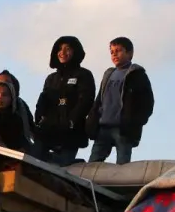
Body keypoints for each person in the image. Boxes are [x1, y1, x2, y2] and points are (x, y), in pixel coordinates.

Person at [85, 36, 154, 164]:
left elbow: (147, 102)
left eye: (118, 50)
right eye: (112, 52)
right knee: (93, 163)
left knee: (123, 164)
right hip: (103, 127)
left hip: (123, 129)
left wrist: (135, 122)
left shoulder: (137, 75)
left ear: (130, 53)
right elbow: (99, 100)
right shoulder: (108, 74)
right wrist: (92, 120)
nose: (114, 54)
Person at [32, 36, 96, 165]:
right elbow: (43, 101)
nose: (63, 52)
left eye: (67, 49)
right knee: (34, 162)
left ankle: (75, 164)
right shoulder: (51, 78)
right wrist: (39, 118)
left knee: (62, 167)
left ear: (75, 51)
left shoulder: (84, 75)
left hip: (71, 133)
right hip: (48, 130)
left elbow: (86, 100)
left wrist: (72, 120)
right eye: (60, 49)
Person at [0, 69, 35, 151]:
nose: (3, 84)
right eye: (0, 82)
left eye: (7, 82)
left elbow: (31, 128)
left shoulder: (21, 108)